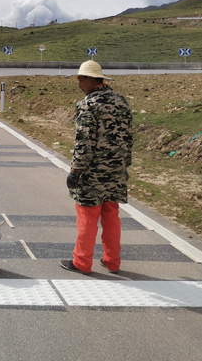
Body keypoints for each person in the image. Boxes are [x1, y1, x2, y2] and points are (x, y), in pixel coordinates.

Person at [61, 60, 132, 275]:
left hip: (92, 172)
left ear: (91, 80)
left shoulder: (88, 105)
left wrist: (76, 170)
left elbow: (84, 142)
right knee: (111, 214)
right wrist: (124, 165)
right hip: (117, 170)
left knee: (87, 216)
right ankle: (112, 261)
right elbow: (128, 138)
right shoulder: (121, 102)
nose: (79, 84)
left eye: (81, 79)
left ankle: (82, 262)